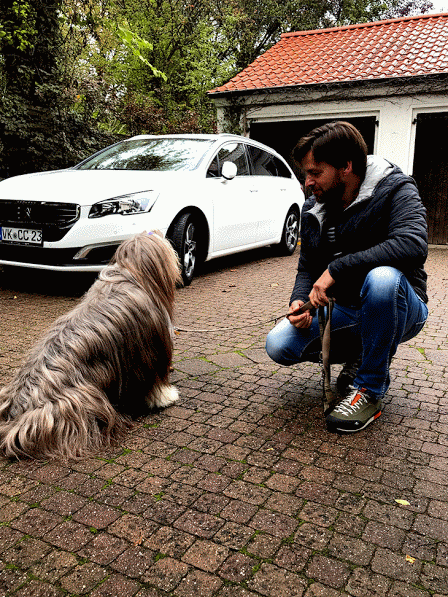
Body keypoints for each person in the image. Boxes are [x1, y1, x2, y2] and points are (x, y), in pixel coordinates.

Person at [266, 121, 428, 433]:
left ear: (345, 167)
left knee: (382, 279)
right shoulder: (315, 206)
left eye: (315, 173)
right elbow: (307, 267)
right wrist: (298, 300)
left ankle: (369, 389)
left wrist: (337, 269)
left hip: (401, 305)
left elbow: (412, 243)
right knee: (279, 344)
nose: (307, 182)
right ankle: (365, 352)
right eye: (306, 174)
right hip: (347, 308)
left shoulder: (396, 189)